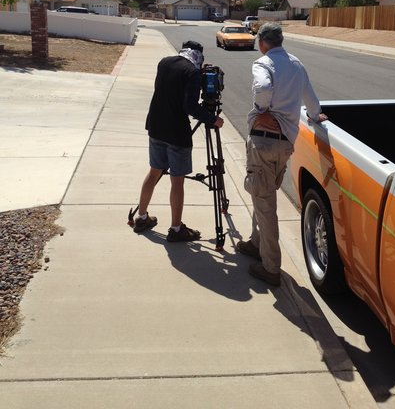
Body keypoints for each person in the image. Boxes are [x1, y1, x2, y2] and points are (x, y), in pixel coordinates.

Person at [237, 23, 327, 286]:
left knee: (264, 203)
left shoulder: (263, 63)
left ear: (263, 42)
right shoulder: (297, 64)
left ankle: (271, 267)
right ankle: (256, 243)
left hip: (264, 143)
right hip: (285, 143)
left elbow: (263, 89)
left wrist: (261, 109)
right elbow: (312, 101)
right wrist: (314, 116)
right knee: (262, 193)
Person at [132, 40, 224, 241]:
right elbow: (190, 107)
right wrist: (213, 119)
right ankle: (176, 229)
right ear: (199, 56)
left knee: (154, 172)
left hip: (156, 126)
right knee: (177, 180)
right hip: (176, 133)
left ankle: (141, 217)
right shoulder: (192, 72)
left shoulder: (164, 62)